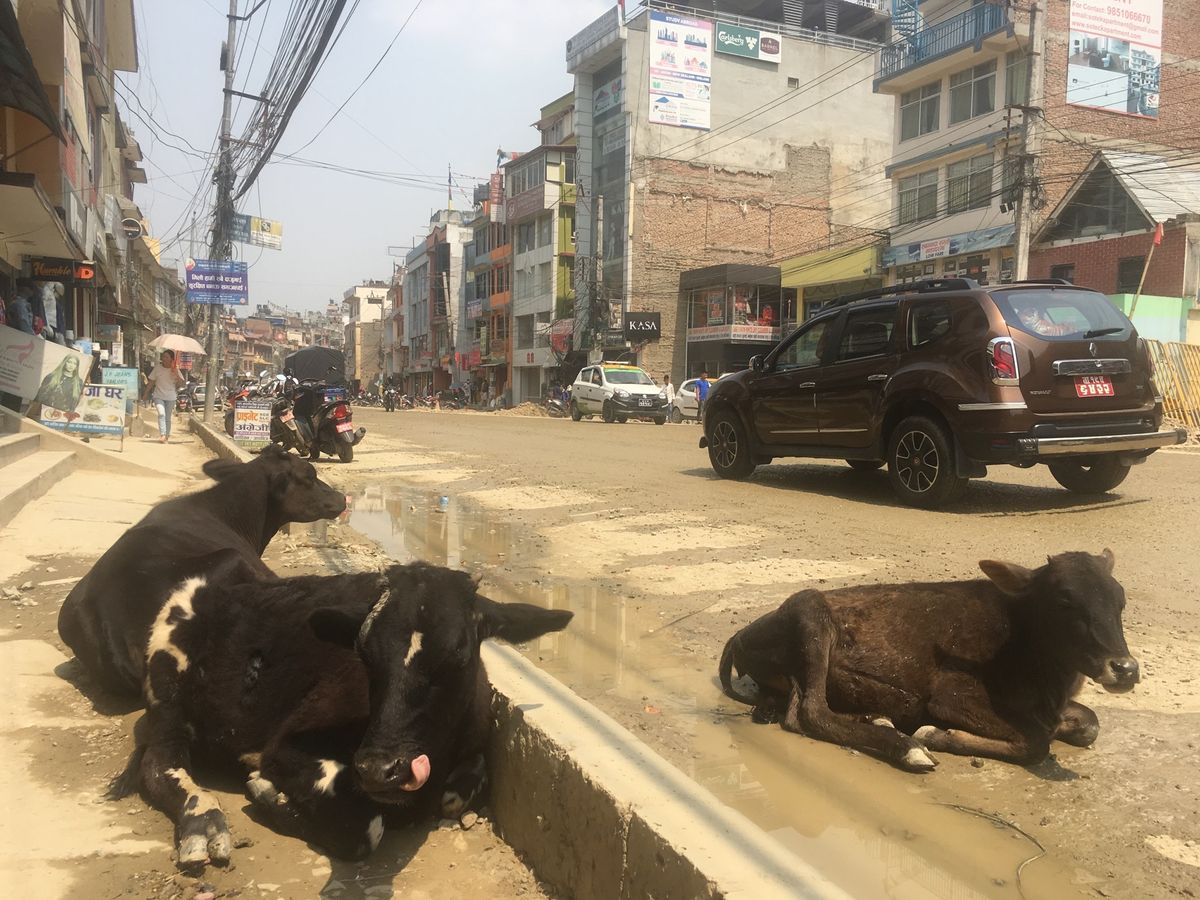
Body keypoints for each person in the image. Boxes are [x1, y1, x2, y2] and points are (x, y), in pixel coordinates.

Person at [142, 349, 185, 443]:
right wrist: (146, 393)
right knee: (161, 414)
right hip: (158, 396)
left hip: (171, 397)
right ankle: (162, 434)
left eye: (166, 357)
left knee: (167, 417)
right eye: (163, 356)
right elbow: (151, 382)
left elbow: (181, 384)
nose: (164, 358)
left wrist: (176, 375)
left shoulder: (176, 370)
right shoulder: (157, 368)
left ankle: (166, 436)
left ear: (171, 359)